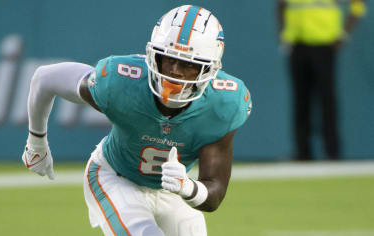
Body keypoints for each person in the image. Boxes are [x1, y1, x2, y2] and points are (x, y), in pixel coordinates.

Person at [21, 5, 252, 236]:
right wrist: (36, 143)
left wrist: (187, 187)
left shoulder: (224, 104)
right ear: (154, 55)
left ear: (209, 69)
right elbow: (45, 78)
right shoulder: (121, 83)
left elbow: (214, 195)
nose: (175, 71)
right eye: (167, 58)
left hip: (172, 190)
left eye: (189, 64)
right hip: (116, 177)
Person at [277, 0, 366, 161]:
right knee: (300, 100)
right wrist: (283, 35)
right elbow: (281, 4)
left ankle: (332, 153)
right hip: (297, 44)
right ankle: (303, 152)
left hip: (325, 43)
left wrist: (344, 34)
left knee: (327, 100)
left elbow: (358, 6)